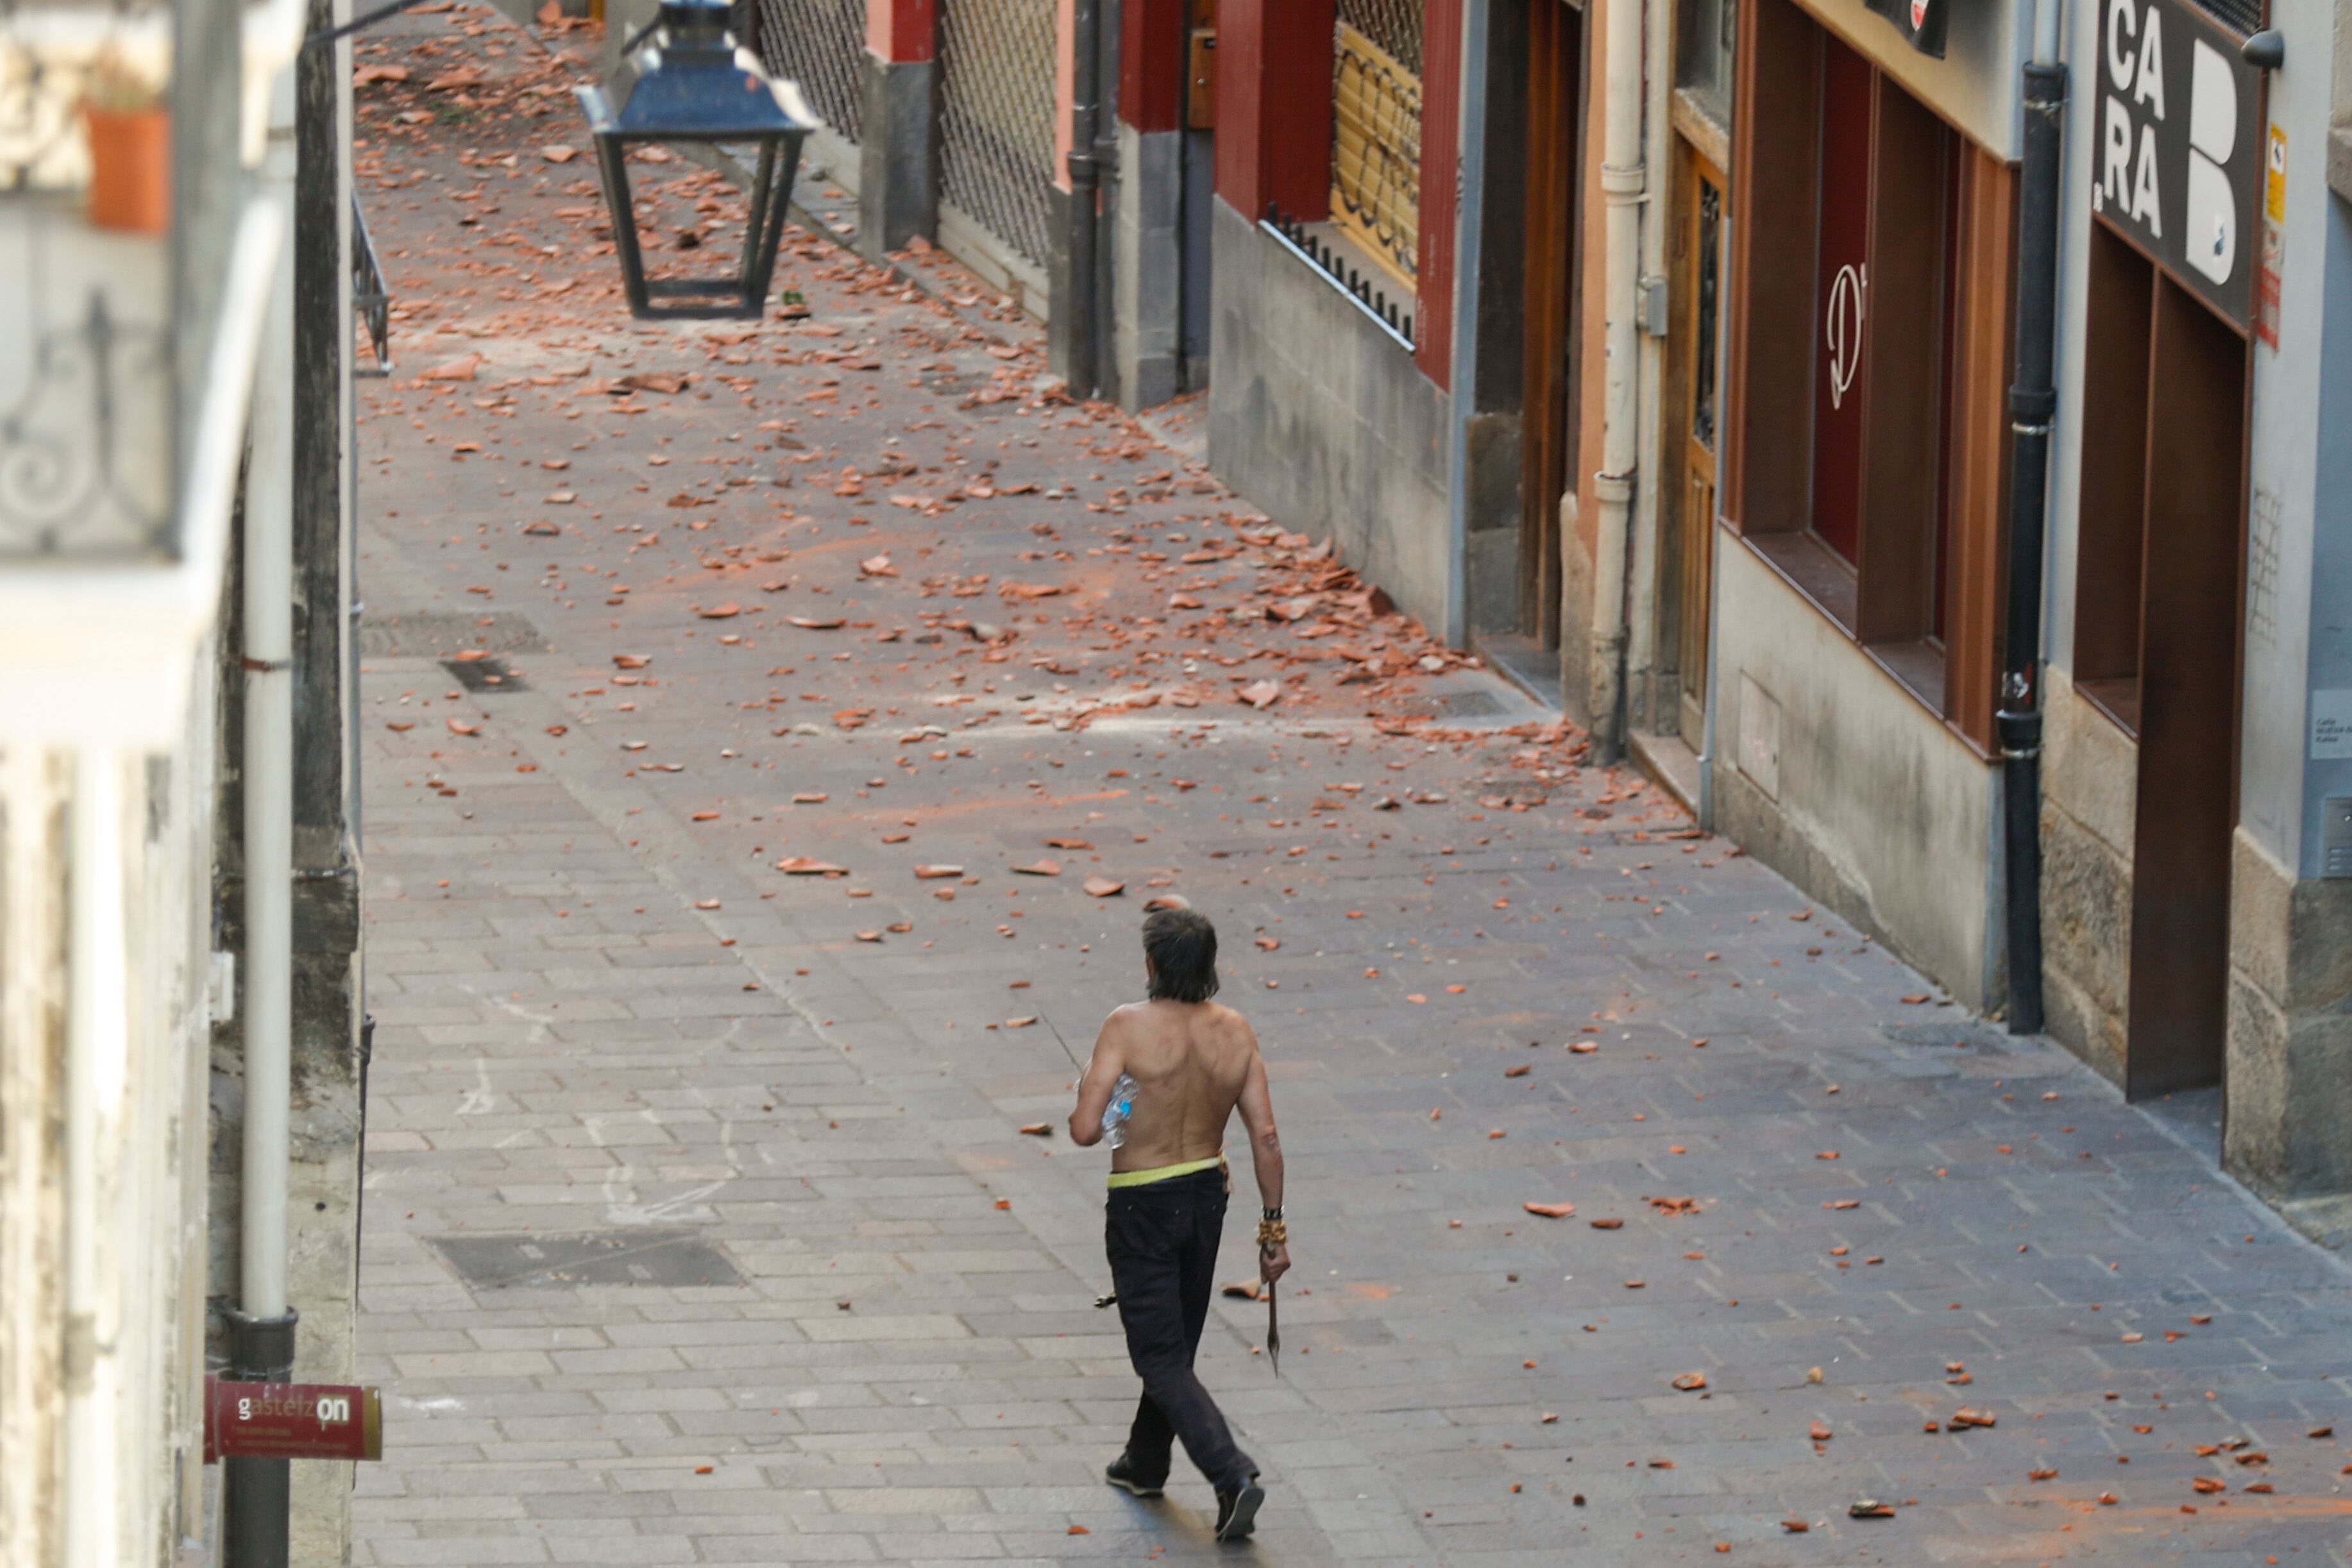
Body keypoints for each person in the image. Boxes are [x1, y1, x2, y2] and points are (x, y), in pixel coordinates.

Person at [1070, 906, 1290, 1542]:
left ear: (1151, 965)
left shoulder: (1125, 1026)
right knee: (1175, 1342)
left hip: (1142, 1200)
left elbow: (1085, 1131)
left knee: (1160, 1353)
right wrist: (1272, 1232)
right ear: (1209, 966)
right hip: (1204, 1196)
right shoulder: (1237, 1030)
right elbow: (1266, 1136)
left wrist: (1092, 1083)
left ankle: (1232, 1475)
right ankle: (1145, 1460)